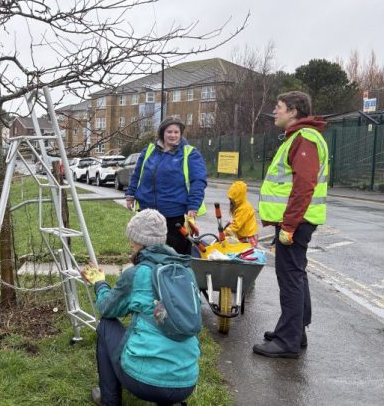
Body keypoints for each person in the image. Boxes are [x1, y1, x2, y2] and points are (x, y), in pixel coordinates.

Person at [81, 209, 199, 406]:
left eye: (133, 240)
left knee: (106, 325)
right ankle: (170, 399)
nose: (130, 244)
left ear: (140, 243)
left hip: (144, 383)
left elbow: (107, 308)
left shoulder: (136, 274)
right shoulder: (186, 272)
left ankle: (109, 399)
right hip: (186, 382)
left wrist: (100, 283)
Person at [253, 91, 328, 359]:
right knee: (297, 273)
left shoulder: (304, 138)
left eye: (279, 106)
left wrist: (289, 225)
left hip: (296, 221)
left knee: (290, 277)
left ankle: (288, 341)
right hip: (297, 220)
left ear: (294, 111)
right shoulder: (300, 137)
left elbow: (303, 186)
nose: (275, 111)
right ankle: (296, 330)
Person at [125, 116, 207, 256]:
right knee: (145, 251)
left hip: (174, 214)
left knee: (173, 253)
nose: (173, 135)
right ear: (162, 132)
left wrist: (194, 205)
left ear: (181, 134)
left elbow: (198, 181)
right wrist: (130, 194)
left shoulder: (190, 153)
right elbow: (138, 174)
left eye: (176, 132)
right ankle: (147, 275)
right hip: (147, 212)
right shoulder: (149, 151)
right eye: (169, 131)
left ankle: (172, 276)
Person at [223, 180, 259, 247]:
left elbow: (236, 225)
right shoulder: (240, 205)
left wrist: (224, 233)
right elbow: (238, 221)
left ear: (238, 197)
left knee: (246, 254)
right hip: (244, 235)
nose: (231, 201)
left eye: (232, 199)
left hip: (248, 237)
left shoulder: (244, 208)